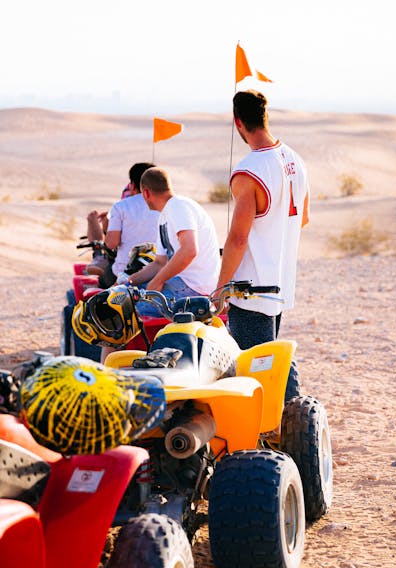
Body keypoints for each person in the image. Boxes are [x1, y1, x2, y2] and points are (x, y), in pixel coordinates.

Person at [216, 89, 310, 401]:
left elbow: (238, 238)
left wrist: (219, 288)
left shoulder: (249, 170)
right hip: (280, 283)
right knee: (270, 363)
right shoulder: (296, 160)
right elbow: (303, 219)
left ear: (237, 122)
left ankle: (295, 434)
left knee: (261, 370)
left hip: (251, 288)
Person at [127, 166, 220, 315]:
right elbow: (160, 263)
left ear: (145, 193)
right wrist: (129, 280)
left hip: (194, 287)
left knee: (130, 313)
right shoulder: (165, 214)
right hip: (179, 282)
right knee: (126, 296)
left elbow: (189, 250)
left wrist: (157, 281)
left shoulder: (178, 206)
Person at [88, 162, 159, 287]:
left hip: (125, 273)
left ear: (132, 185)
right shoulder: (166, 205)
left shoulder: (122, 206)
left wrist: (107, 226)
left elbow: (111, 243)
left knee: (94, 288)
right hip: (159, 272)